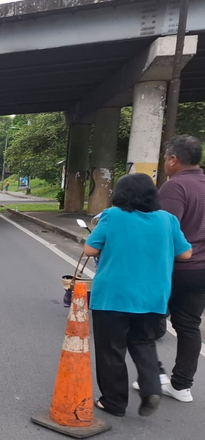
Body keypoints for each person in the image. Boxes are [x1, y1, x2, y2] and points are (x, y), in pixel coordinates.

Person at [83, 173, 191, 417]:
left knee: (111, 350)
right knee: (143, 343)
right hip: (153, 298)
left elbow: (90, 249)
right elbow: (185, 254)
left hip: (113, 296)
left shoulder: (112, 216)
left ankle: (114, 402)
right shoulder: (168, 220)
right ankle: (151, 387)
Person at [158, 135, 205, 403]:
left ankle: (152, 375)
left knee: (146, 321)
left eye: (166, 158)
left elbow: (163, 232)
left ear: (173, 159)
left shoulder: (174, 188)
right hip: (201, 270)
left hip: (175, 268)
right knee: (189, 326)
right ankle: (182, 385)